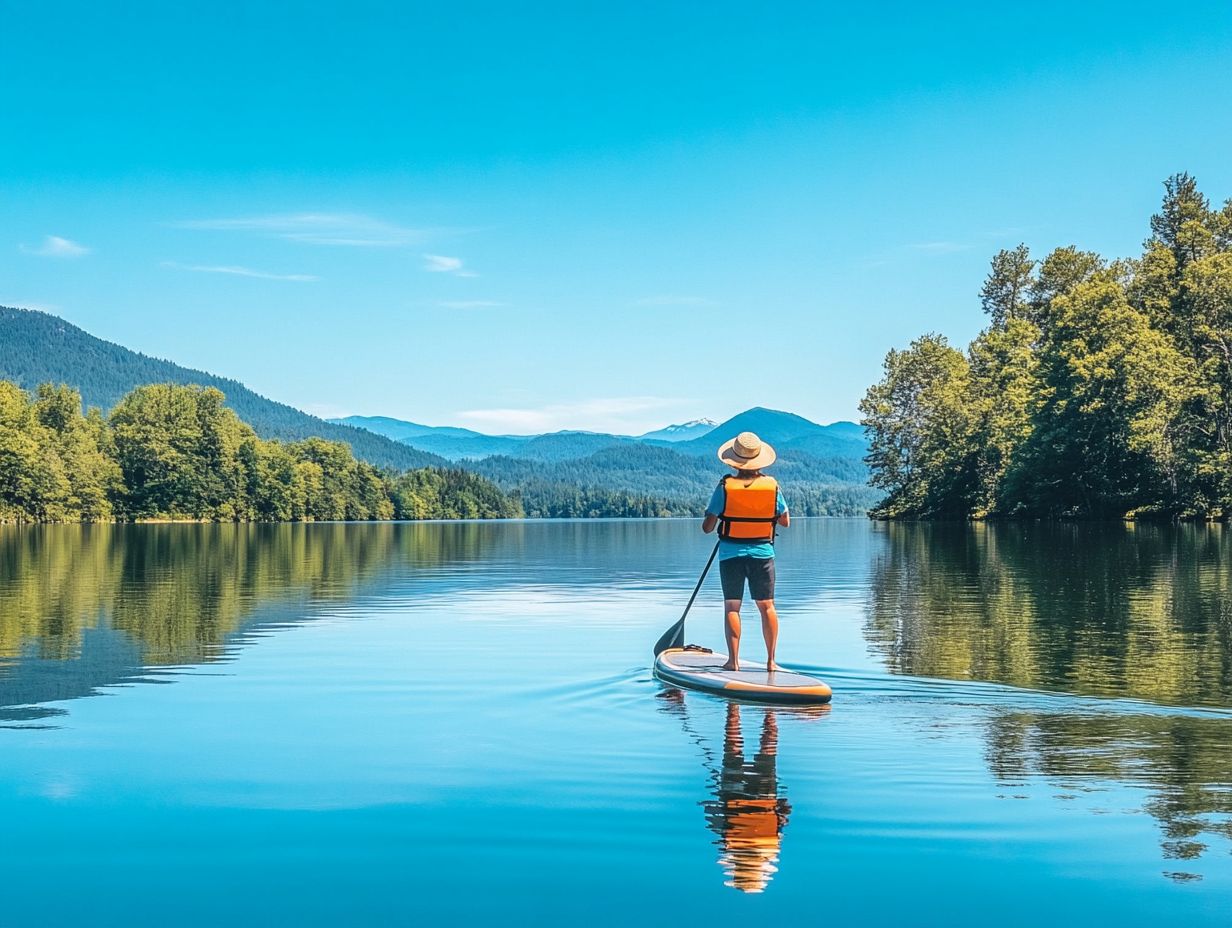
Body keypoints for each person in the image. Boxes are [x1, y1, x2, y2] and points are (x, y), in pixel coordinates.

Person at [701, 431, 789, 671]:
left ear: (734, 461)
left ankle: (733, 662)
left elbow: (707, 528)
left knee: (732, 607)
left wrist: (722, 518)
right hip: (763, 553)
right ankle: (771, 662)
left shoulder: (724, 487)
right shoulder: (772, 487)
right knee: (767, 606)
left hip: (731, 555)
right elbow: (785, 521)